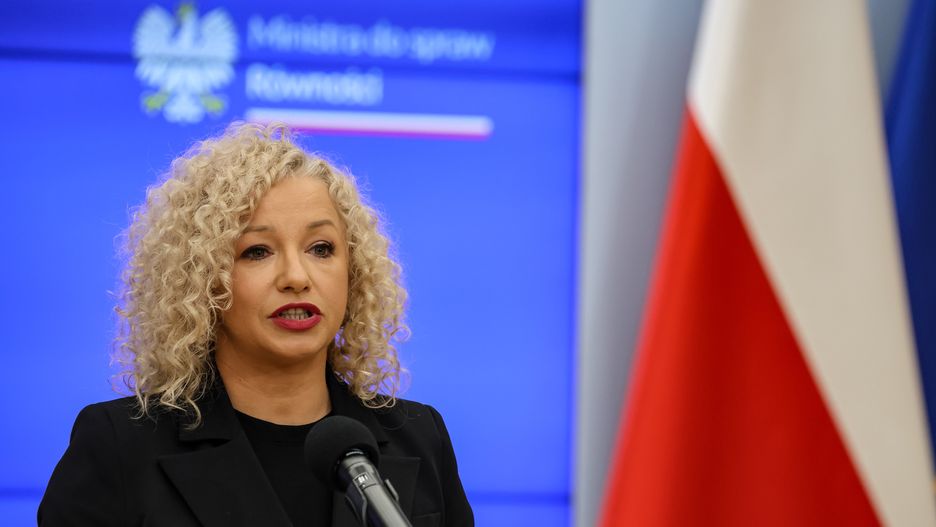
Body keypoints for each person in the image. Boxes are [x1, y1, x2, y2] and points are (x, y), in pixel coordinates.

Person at [38, 122, 473, 527]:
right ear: (203, 280)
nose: (296, 277)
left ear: (353, 270)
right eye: (257, 251)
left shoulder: (419, 436)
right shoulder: (120, 446)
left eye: (321, 248)